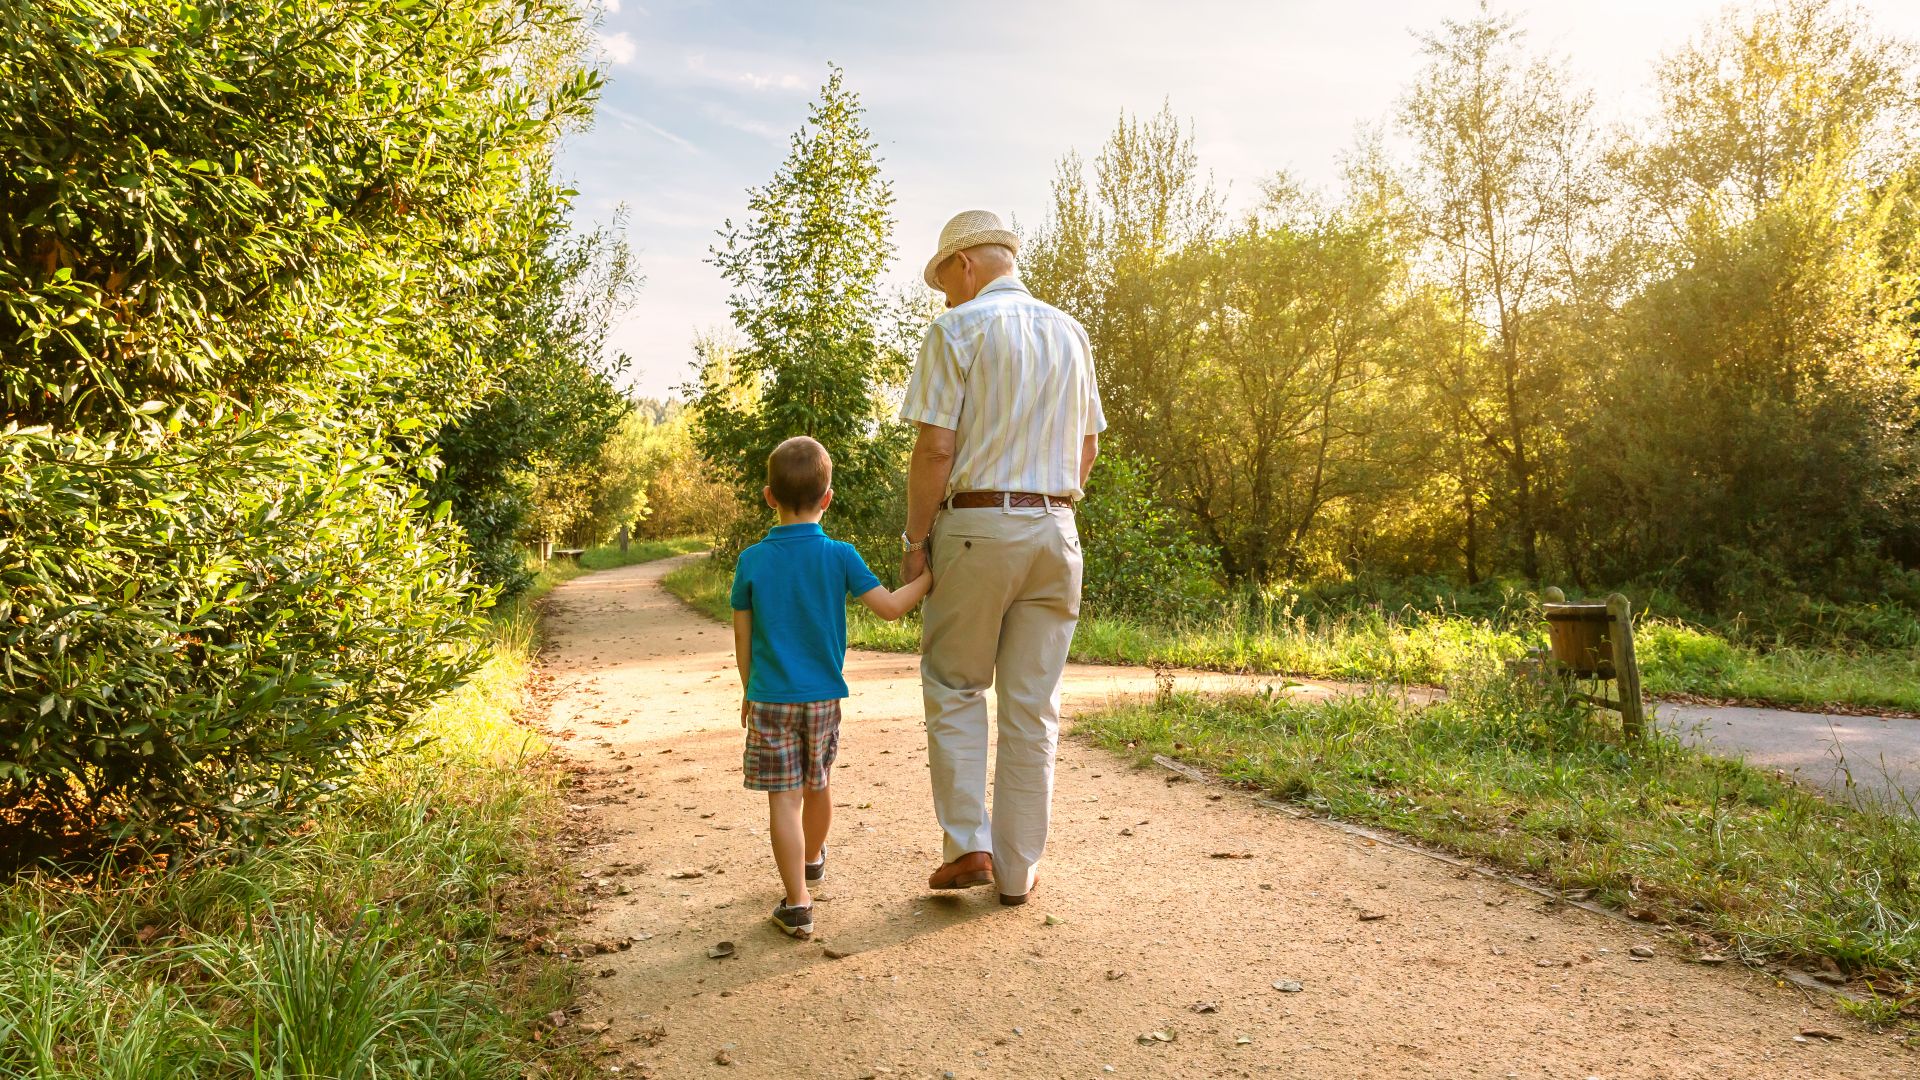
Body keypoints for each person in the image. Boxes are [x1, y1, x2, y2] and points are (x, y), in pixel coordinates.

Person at [898, 209, 1105, 906]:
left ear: (964, 265)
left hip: (977, 528)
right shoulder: (1072, 332)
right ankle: (1017, 872)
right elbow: (1088, 447)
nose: (945, 298)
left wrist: (914, 542)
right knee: (1032, 706)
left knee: (956, 684)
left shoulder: (958, 328)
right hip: (1057, 529)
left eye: (945, 283)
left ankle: (968, 846)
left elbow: (936, 448)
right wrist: (1053, 507)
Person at [731, 436, 931, 939]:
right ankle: (812, 859)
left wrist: (748, 689)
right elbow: (890, 608)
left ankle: (797, 902)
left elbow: (743, 636)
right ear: (828, 498)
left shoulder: (751, 560)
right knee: (817, 783)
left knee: (783, 800)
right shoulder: (839, 555)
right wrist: (929, 578)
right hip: (823, 698)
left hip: (770, 697)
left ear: (769, 497)